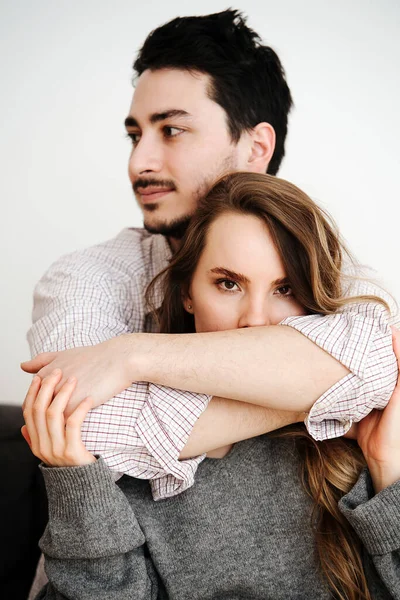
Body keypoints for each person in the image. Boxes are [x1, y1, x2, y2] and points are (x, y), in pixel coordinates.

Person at [22, 9, 399, 502]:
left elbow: (381, 362)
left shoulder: (327, 265)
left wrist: (130, 356)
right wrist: (312, 392)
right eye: (135, 135)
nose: (140, 162)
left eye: (172, 130)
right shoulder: (86, 274)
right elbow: (84, 431)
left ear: (255, 146)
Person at [23, 172, 400, 599]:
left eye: (285, 288)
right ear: (187, 293)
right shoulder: (133, 451)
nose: (255, 320)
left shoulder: (349, 436)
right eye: (228, 284)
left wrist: (388, 471)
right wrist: (81, 487)